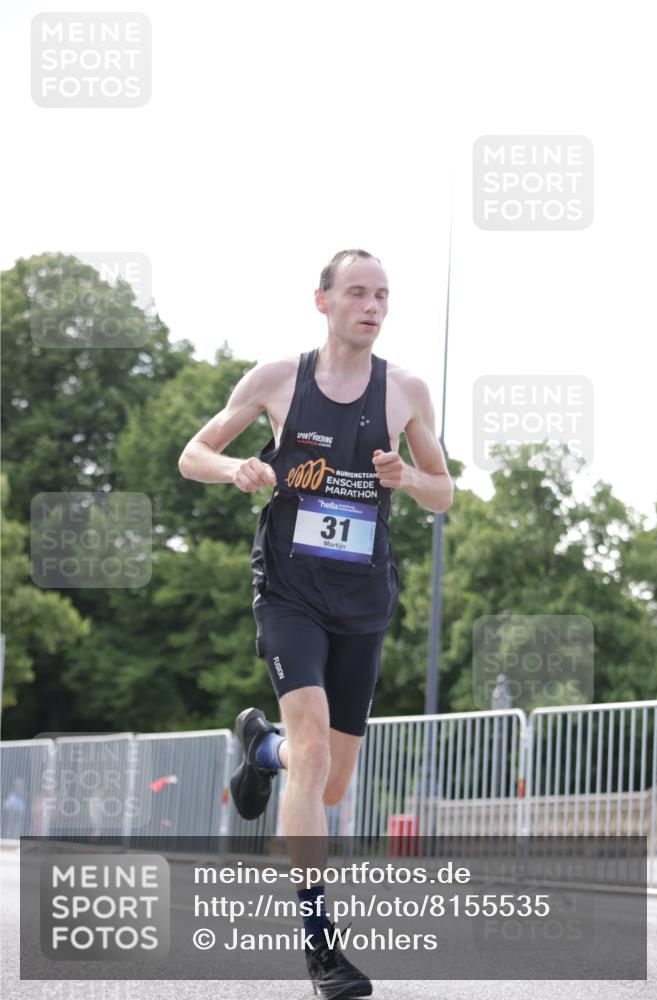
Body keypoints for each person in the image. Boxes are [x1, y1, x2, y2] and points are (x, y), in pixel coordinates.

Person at [179, 249, 453, 998]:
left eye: (383, 296)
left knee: (326, 786)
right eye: (357, 292)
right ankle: (321, 947)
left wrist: (410, 476)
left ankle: (256, 750)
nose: (372, 305)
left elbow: (442, 495)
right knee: (311, 748)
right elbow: (192, 452)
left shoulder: (405, 392)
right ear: (322, 301)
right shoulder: (276, 381)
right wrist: (235, 468)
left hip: (362, 599)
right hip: (289, 590)